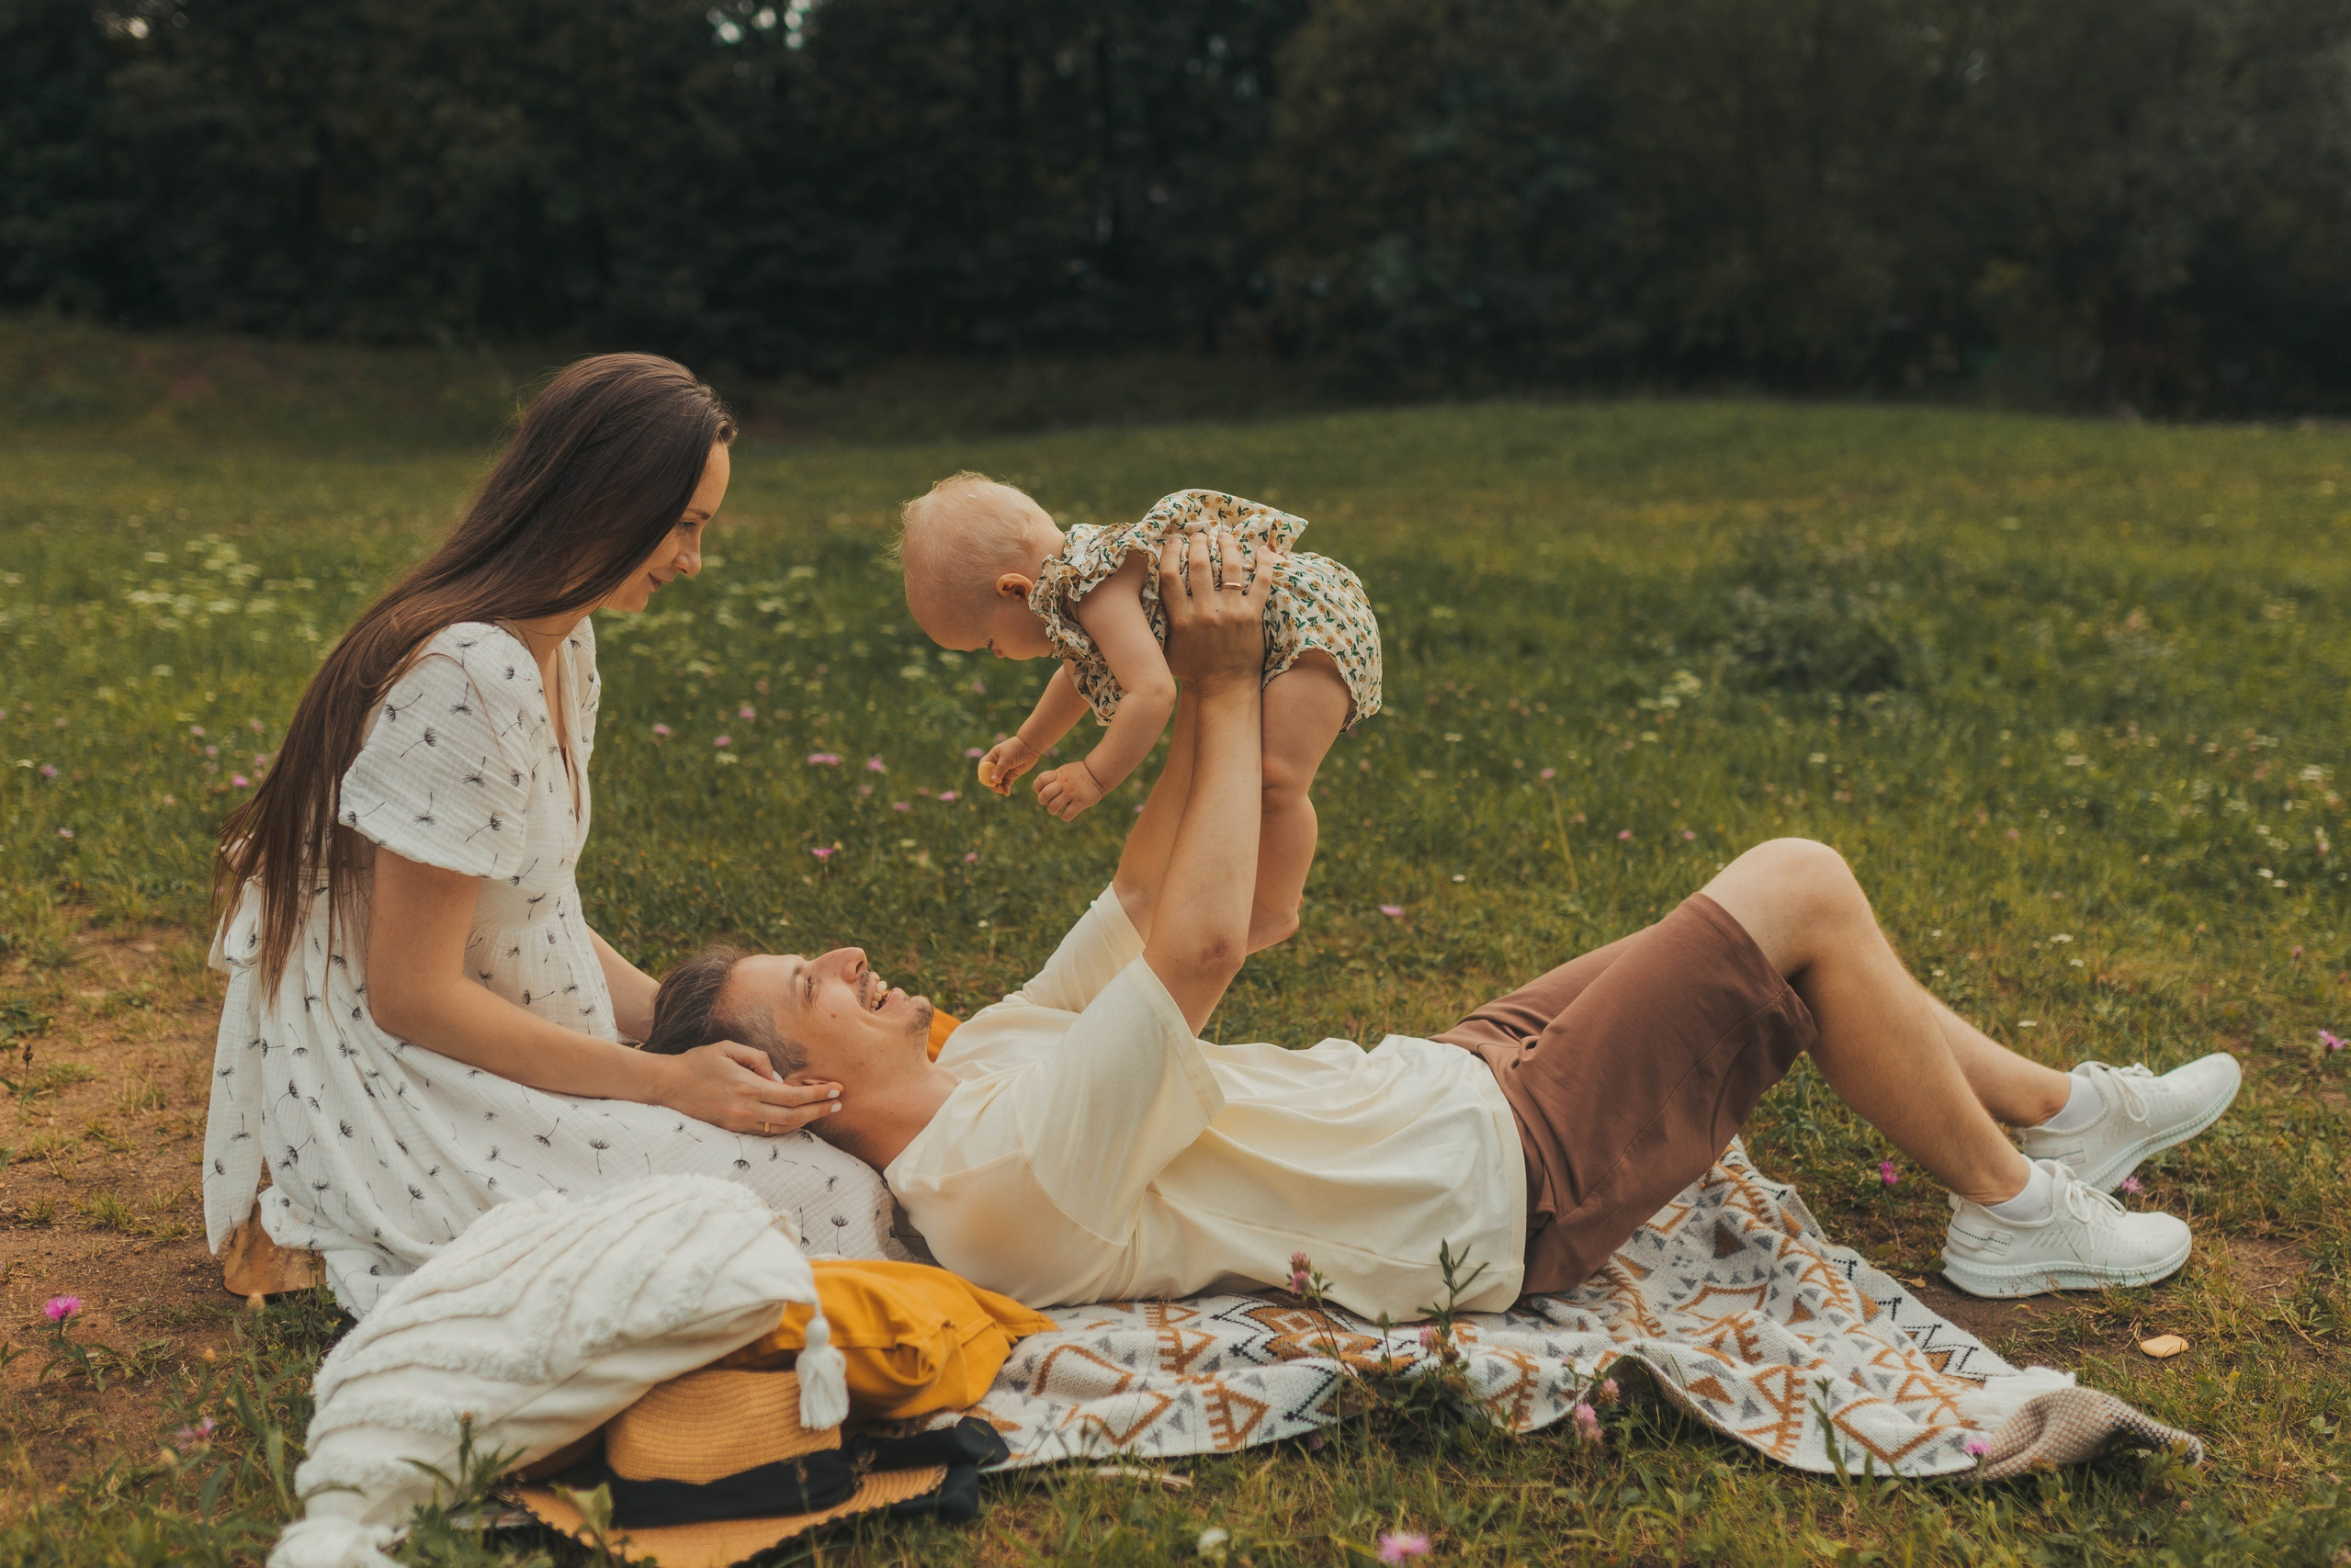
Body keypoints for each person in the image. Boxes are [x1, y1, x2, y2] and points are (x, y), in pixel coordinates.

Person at [648, 527, 2240, 1316]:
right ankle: (2002, 1213)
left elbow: (1157, 900)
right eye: (812, 983)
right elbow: (1194, 954)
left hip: (1441, 1081)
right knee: (1794, 885)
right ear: (800, 1088)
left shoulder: (988, 1048)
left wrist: (1226, 701)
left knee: (1741, 939)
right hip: (1495, 1185)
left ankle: (2061, 1115)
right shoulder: (986, 1183)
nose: (851, 957)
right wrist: (1200, 685)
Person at [200, 354, 897, 1314]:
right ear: (609, 497)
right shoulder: (468, 673)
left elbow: (532, 907)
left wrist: (688, 1031)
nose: (694, 561)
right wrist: (658, 1084)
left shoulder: (562, 646)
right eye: (686, 525)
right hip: (400, 1083)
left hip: (500, 1026)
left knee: (811, 1146)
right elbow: (410, 996)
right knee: (828, 1202)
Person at [899, 474, 1380, 951]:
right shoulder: (1076, 587)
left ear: (1015, 591)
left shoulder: (1097, 589)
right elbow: (1078, 673)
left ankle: (1276, 909)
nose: (998, 654)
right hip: (1276, 629)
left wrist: (1094, 776)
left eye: (989, 644)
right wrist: (1029, 744)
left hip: (1311, 628)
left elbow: (1150, 693)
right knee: (1255, 774)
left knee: (1276, 777)